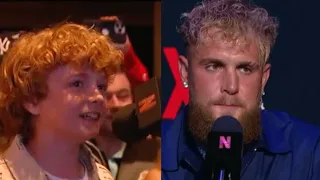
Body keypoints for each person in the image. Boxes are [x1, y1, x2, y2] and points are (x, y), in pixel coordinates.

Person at [162, 0, 320, 179]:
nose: (231, 86)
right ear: (184, 72)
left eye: (245, 69)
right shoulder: (156, 153)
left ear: (263, 79)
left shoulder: (310, 154)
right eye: (214, 66)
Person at [0, 22, 123, 179]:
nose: (98, 96)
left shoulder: (104, 176)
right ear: (32, 100)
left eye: (101, 86)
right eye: (77, 84)